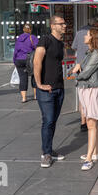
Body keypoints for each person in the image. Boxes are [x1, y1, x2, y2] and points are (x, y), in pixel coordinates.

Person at [72, 27, 98, 171]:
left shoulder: (96, 54)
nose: (84, 37)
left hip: (92, 90)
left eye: (87, 35)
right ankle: (96, 153)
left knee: (91, 124)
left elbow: (86, 72)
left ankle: (89, 158)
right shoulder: (91, 52)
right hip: (88, 89)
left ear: (93, 38)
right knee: (92, 123)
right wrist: (78, 69)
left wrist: (76, 72)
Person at [34, 14, 67, 168]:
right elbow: (37, 61)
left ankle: (49, 149)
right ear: (53, 26)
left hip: (59, 88)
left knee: (52, 121)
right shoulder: (45, 40)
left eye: (65, 23)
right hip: (46, 89)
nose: (64, 26)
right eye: (61, 24)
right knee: (47, 120)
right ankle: (46, 154)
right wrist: (39, 84)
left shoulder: (61, 43)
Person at [71, 13, 98, 131]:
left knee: (83, 97)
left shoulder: (80, 30)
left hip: (80, 65)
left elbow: (74, 47)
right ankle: (93, 122)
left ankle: (83, 122)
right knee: (93, 97)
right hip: (89, 70)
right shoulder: (97, 33)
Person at [13, 24, 38, 103]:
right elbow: (38, 48)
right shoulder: (33, 37)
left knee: (23, 78)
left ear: (23, 30)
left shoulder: (19, 39)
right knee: (34, 76)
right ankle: (35, 95)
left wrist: (14, 61)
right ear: (30, 30)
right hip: (29, 60)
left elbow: (15, 51)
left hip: (19, 60)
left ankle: (24, 98)